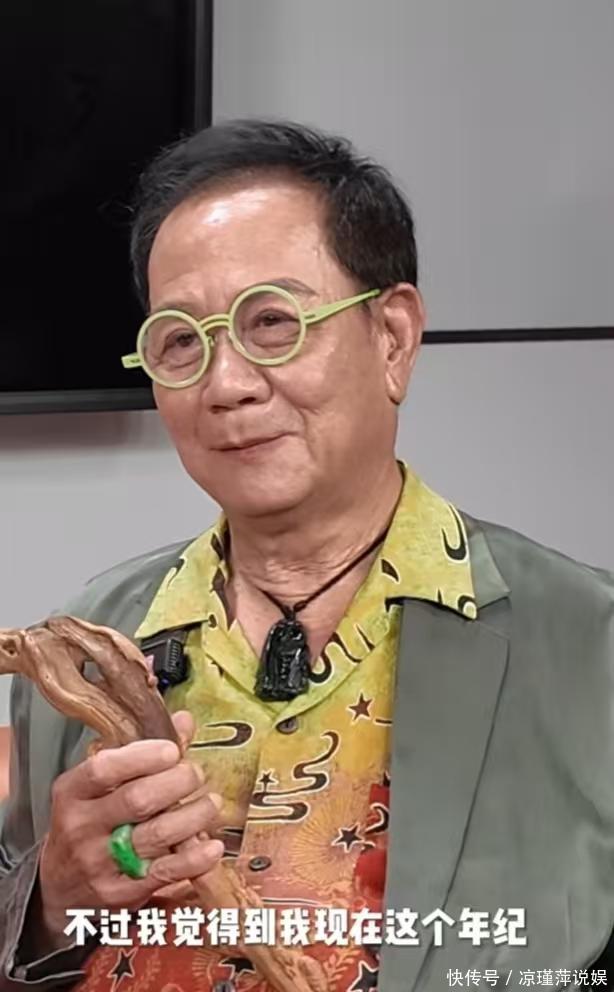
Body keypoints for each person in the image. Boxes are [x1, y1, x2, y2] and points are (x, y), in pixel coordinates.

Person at [0, 119, 613, 992]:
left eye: (272, 323)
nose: (226, 384)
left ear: (393, 337)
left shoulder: (590, 644)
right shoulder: (88, 644)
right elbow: (24, 926)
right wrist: (52, 899)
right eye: (181, 340)